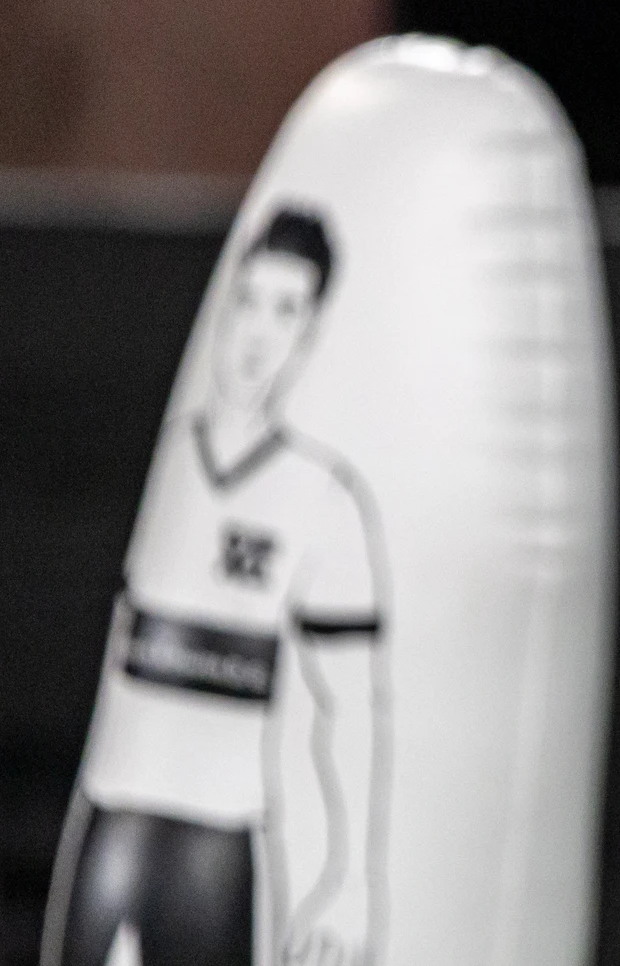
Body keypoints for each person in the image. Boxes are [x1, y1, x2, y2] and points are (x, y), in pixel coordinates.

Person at [44, 208, 389, 966]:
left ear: (311, 330)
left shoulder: (324, 499)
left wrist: (352, 877)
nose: (259, 332)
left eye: (287, 309)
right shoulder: (152, 463)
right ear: (222, 300)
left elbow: (353, 705)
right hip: (111, 824)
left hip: (217, 845)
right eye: (250, 300)